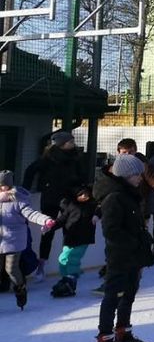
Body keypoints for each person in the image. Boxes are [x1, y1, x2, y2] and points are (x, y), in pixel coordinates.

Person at [92, 155, 154, 342]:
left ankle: (123, 333)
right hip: (120, 256)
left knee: (128, 295)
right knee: (113, 296)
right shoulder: (114, 197)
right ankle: (105, 341)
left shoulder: (129, 193)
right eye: (137, 174)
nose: (140, 178)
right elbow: (111, 230)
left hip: (133, 255)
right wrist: (133, 243)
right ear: (125, 175)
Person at [22, 131, 85, 282]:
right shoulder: (48, 158)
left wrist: (82, 190)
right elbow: (30, 171)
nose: (73, 144)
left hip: (69, 199)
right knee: (48, 231)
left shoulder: (75, 158)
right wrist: (25, 191)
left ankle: (69, 264)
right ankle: (41, 266)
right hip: (50, 198)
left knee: (70, 230)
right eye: (70, 142)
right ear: (61, 144)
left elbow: (81, 176)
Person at [0, 170, 56, 311]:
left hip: (14, 241)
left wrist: (45, 220)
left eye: (3, 185)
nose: (1, 188)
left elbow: (31, 214)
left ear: (9, 185)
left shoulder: (18, 199)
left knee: (11, 269)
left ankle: (20, 289)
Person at [50, 184, 98, 298]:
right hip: (70, 237)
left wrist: (97, 216)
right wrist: (51, 226)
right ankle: (66, 279)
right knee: (63, 259)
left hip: (83, 238)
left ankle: (71, 281)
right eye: (81, 194)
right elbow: (62, 219)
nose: (84, 197)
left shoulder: (92, 205)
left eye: (86, 194)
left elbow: (100, 209)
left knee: (73, 258)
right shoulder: (71, 205)